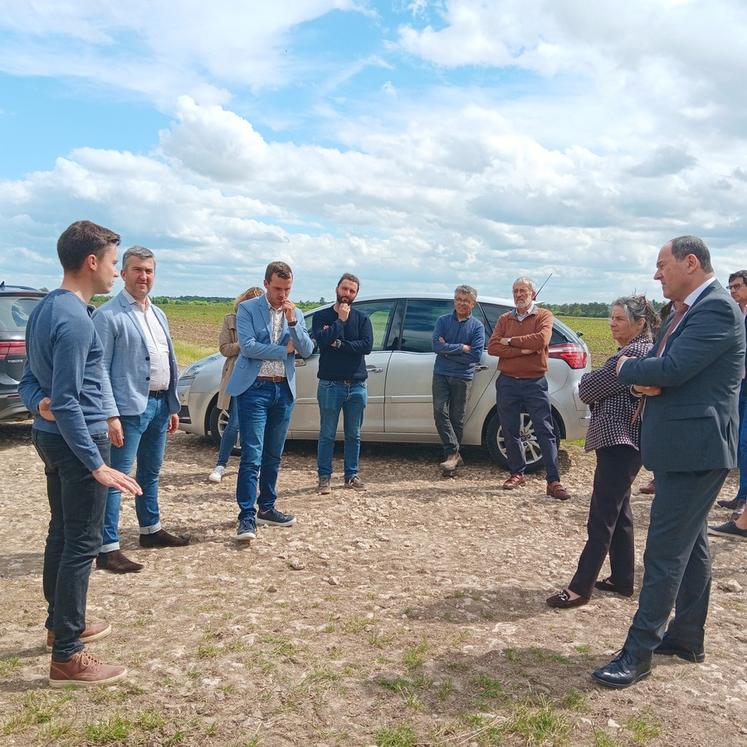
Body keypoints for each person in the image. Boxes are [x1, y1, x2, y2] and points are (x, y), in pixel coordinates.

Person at [592, 236, 744, 689]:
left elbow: (669, 370)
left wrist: (624, 372)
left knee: (663, 552)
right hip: (685, 448)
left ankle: (637, 654)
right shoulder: (686, 312)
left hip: (696, 450)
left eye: (662, 265)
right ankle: (686, 637)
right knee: (691, 546)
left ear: (690, 262)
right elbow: (660, 366)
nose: (656, 274)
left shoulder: (715, 308)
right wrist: (647, 379)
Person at [19, 220, 141, 686]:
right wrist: (97, 466)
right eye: (113, 262)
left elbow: (35, 385)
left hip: (54, 439)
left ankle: (60, 627)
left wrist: (39, 405)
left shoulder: (46, 309)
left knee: (62, 534)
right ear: (92, 262)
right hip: (76, 445)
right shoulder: (73, 319)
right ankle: (68, 654)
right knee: (82, 545)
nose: (115, 271)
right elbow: (68, 400)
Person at [547, 296, 658, 609]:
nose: (612, 323)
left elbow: (587, 388)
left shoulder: (634, 352)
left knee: (601, 517)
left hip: (620, 441)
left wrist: (595, 380)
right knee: (619, 512)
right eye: (611, 317)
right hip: (623, 441)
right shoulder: (631, 351)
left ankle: (580, 588)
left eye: (619, 319)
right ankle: (622, 579)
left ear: (640, 324)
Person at [93, 246, 188, 575]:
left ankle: (150, 530)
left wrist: (172, 404)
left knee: (149, 474)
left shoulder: (158, 313)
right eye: (137, 270)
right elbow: (99, 370)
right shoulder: (108, 315)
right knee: (117, 479)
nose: (143, 276)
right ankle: (107, 547)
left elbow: (168, 362)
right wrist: (110, 414)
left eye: (148, 270)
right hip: (128, 410)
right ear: (123, 273)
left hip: (160, 405)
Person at [226, 260, 314, 541]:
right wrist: (282, 350)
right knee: (252, 455)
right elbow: (248, 348)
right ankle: (246, 517)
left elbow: (307, 349)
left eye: (287, 289)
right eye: (277, 288)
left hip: (283, 390)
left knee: (273, 454)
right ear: (266, 284)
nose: (282, 294)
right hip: (254, 389)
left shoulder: (295, 313)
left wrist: (292, 324)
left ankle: (267, 508)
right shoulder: (247, 309)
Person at [487, 277, 570, 500]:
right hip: (508, 381)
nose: (518, 295)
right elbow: (493, 346)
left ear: (532, 294)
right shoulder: (505, 318)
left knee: (544, 429)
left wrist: (510, 342)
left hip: (535, 382)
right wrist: (523, 350)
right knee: (509, 428)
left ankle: (553, 481)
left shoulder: (543, 315)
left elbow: (541, 340)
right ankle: (517, 473)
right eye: (515, 291)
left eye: (523, 290)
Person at [312, 273, 373, 494]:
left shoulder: (363, 318)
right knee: (327, 433)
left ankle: (351, 475)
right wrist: (340, 322)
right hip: (330, 384)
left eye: (352, 291)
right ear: (337, 289)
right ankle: (324, 477)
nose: (347, 294)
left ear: (356, 294)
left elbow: (366, 346)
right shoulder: (322, 317)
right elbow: (323, 341)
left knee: (353, 434)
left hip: (356, 385)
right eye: (344, 289)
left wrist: (339, 344)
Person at [208, 286, 265, 483]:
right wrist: (243, 346)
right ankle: (221, 464)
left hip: (260, 378)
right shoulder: (231, 320)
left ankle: (252, 466)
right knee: (234, 424)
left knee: (258, 427)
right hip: (238, 375)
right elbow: (224, 348)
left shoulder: (265, 321)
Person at [431, 285, 485, 473]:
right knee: (439, 412)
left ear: (473, 304)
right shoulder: (443, 321)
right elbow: (436, 347)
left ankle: (451, 459)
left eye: (466, 300)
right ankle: (454, 453)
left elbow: (475, 355)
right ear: (454, 300)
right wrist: (462, 347)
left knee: (457, 417)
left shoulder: (477, 326)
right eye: (458, 299)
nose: (461, 303)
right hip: (441, 374)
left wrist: (448, 350)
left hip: (463, 376)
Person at [715, 270, 747, 512]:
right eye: (731, 287)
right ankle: (742, 495)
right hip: (740, 384)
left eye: (737, 286)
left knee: (744, 441)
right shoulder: (738, 314)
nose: (733, 291)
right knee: (739, 441)